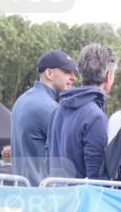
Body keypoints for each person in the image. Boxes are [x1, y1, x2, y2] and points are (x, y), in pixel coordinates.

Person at [46, 44, 117, 179]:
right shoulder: (96, 118)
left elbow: (48, 161)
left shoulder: (57, 110)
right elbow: (97, 178)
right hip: (82, 198)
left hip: (58, 195)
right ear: (108, 76)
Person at [11, 49, 77, 185]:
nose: (73, 78)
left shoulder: (21, 100)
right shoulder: (50, 108)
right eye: (67, 72)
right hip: (42, 195)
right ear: (49, 73)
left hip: (23, 191)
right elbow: (69, 157)